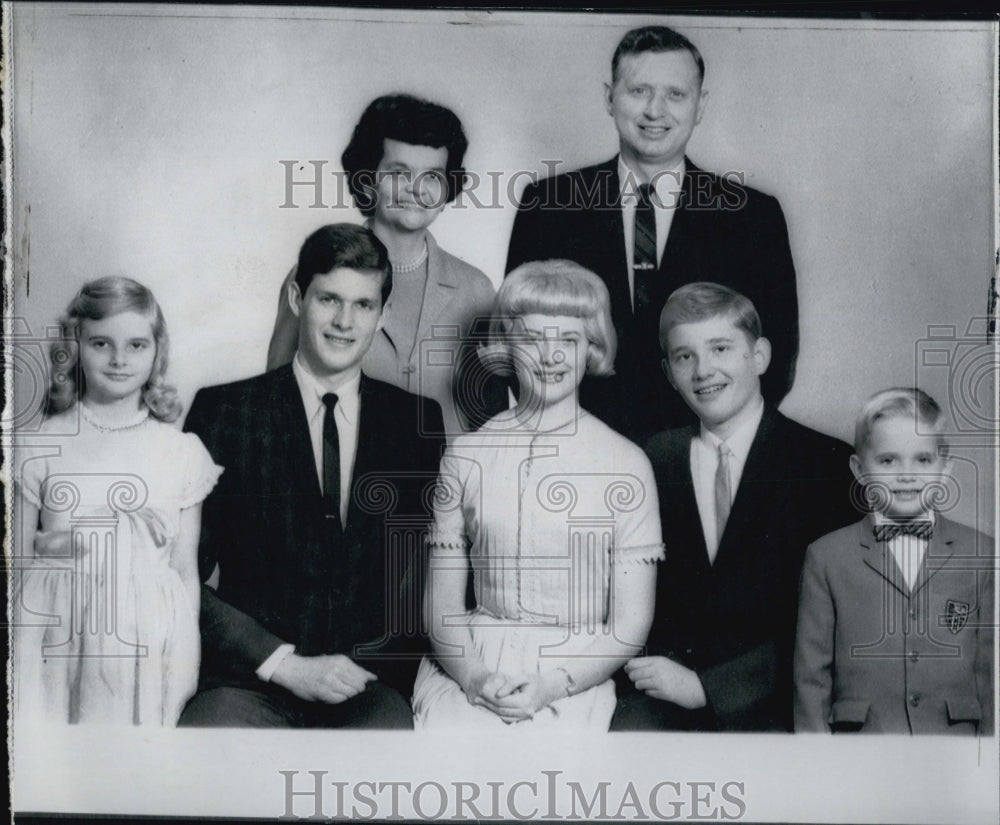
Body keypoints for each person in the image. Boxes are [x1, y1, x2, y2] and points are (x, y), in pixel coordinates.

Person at [180, 224, 445, 728]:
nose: (345, 321)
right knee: (209, 763)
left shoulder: (417, 425)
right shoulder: (224, 413)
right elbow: (179, 576)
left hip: (363, 688)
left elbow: (425, 576)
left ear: (383, 314)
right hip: (249, 682)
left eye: (364, 305)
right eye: (329, 299)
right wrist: (281, 663)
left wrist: (371, 666)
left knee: (388, 769)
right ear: (298, 298)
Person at [506, 25, 798, 443]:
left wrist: (714, 448)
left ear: (700, 105)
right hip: (580, 452)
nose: (655, 111)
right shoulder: (548, 205)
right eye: (639, 91)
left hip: (702, 455)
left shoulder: (753, 217)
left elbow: (776, 357)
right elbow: (519, 342)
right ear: (610, 97)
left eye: (675, 94)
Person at [412, 260, 662, 729]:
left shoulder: (627, 464)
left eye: (567, 340)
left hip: (575, 670)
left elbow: (630, 625)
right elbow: (442, 609)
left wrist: (552, 685)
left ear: (592, 348)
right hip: (473, 662)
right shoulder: (465, 456)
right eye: (531, 340)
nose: (549, 357)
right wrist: (475, 678)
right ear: (507, 346)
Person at [612, 282, 855, 731]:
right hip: (663, 696)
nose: (703, 370)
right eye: (685, 356)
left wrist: (713, 687)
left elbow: (839, 619)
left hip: (778, 699)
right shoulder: (647, 460)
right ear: (668, 373)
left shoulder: (825, 464)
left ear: (759, 356)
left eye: (721, 348)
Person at [12, 277, 222, 725]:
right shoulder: (42, 443)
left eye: (136, 345)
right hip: (55, 638)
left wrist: (185, 662)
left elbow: (184, 571)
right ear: (75, 346)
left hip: (146, 643)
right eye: (102, 343)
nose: (120, 359)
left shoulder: (181, 452)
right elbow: (20, 559)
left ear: (156, 351)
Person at [267, 94, 504, 438]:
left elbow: (494, 420)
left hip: (451, 485)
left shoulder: (476, 289)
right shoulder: (317, 272)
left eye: (433, 177)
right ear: (368, 177)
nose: (416, 190)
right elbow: (274, 398)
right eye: (399, 172)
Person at [794, 388, 994, 735]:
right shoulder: (826, 557)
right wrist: (818, 770)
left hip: (953, 753)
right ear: (860, 469)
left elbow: (993, 674)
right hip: (865, 752)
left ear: (944, 468)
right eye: (888, 460)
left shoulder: (982, 552)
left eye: (922, 460)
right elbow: (811, 681)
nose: (906, 474)